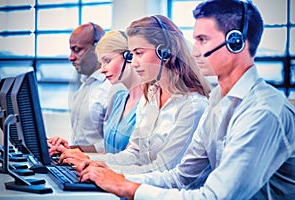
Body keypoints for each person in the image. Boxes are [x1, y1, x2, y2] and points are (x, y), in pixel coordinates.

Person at [76, 1, 295, 199]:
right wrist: (110, 177)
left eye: (203, 40)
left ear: (236, 43)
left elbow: (216, 197)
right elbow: (181, 177)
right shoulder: (217, 102)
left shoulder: (262, 111)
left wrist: (126, 187)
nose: (194, 51)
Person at [51, 15, 211, 175]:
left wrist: (105, 174)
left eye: (139, 53)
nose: (133, 63)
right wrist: (87, 159)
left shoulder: (193, 106)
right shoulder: (151, 96)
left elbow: (164, 170)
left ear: (165, 52)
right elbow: (134, 155)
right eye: (131, 55)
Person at [49, 30, 143, 155]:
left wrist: (80, 157)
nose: (103, 70)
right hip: (101, 169)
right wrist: (71, 151)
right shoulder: (120, 99)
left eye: (108, 61)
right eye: (102, 62)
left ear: (129, 56)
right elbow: (107, 149)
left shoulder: (148, 103)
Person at [48, 23, 112, 153]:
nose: (71, 57)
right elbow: (83, 140)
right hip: (79, 163)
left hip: (98, 168)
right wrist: (66, 148)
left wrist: (73, 150)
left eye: (77, 50)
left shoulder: (111, 89)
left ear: (98, 48)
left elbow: (112, 147)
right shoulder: (85, 85)